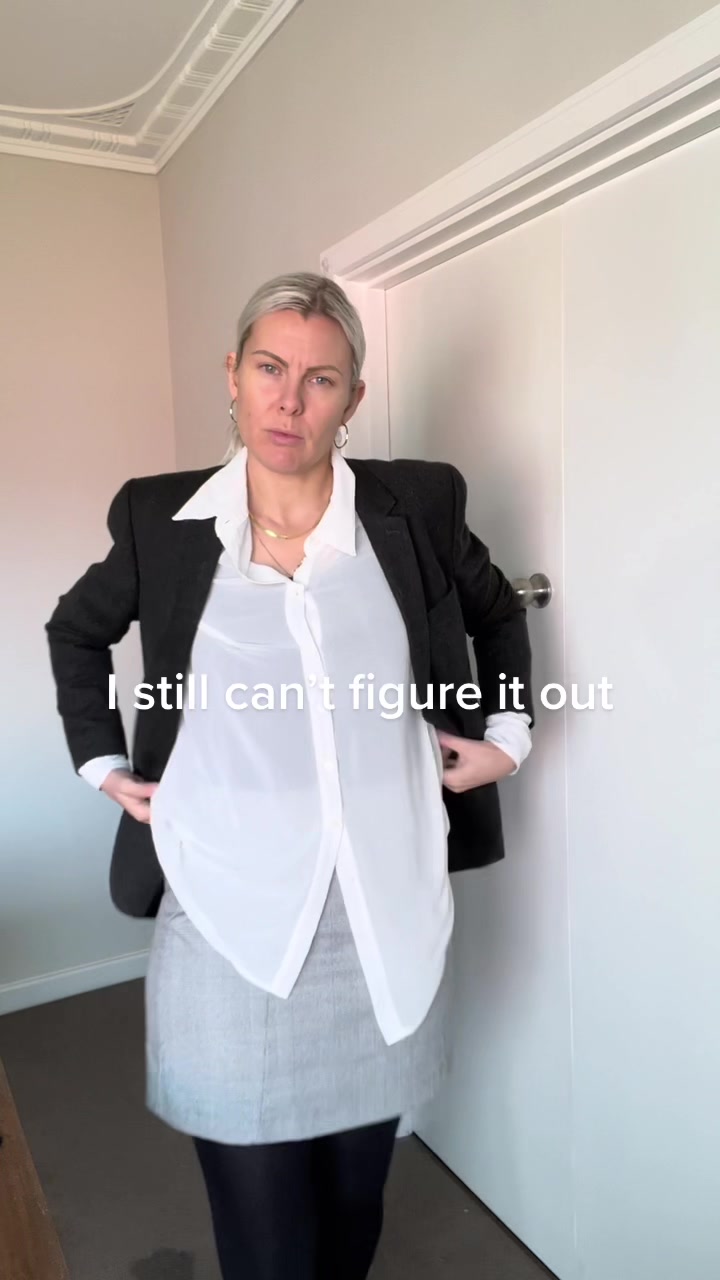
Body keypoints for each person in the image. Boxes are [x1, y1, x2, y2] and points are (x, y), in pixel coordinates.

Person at [45, 271, 534, 1280]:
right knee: (267, 1238)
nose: (289, 400)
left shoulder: (416, 506)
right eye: (269, 368)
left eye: (321, 378)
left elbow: (498, 610)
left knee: (354, 1205)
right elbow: (76, 631)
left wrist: (508, 735)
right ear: (232, 374)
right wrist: (101, 760)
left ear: (353, 398)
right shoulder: (160, 519)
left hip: (383, 914)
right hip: (225, 916)